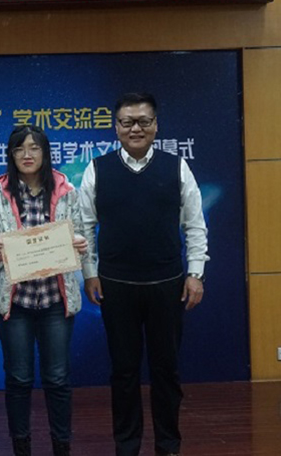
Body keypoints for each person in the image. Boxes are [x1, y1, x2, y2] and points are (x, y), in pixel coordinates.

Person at [79, 93, 209, 456]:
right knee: (123, 372)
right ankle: (127, 446)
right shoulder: (97, 169)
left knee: (166, 371)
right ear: (116, 127)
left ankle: (168, 445)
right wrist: (89, 273)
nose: (135, 128)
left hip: (167, 285)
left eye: (143, 121)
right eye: (127, 122)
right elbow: (84, 226)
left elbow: (195, 225)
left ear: (156, 125)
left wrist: (196, 273)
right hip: (115, 286)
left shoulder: (177, 167)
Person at [0, 125, 92, 456]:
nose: (27, 155)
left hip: (56, 299)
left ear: (45, 152)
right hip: (15, 303)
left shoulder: (67, 191)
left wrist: (80, 245)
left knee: (58, 378)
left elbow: (82, 236)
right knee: (19, 378)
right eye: (20, 149)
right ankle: (21, 447)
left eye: (34, 148)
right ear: (11, 155)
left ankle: (61, 447)